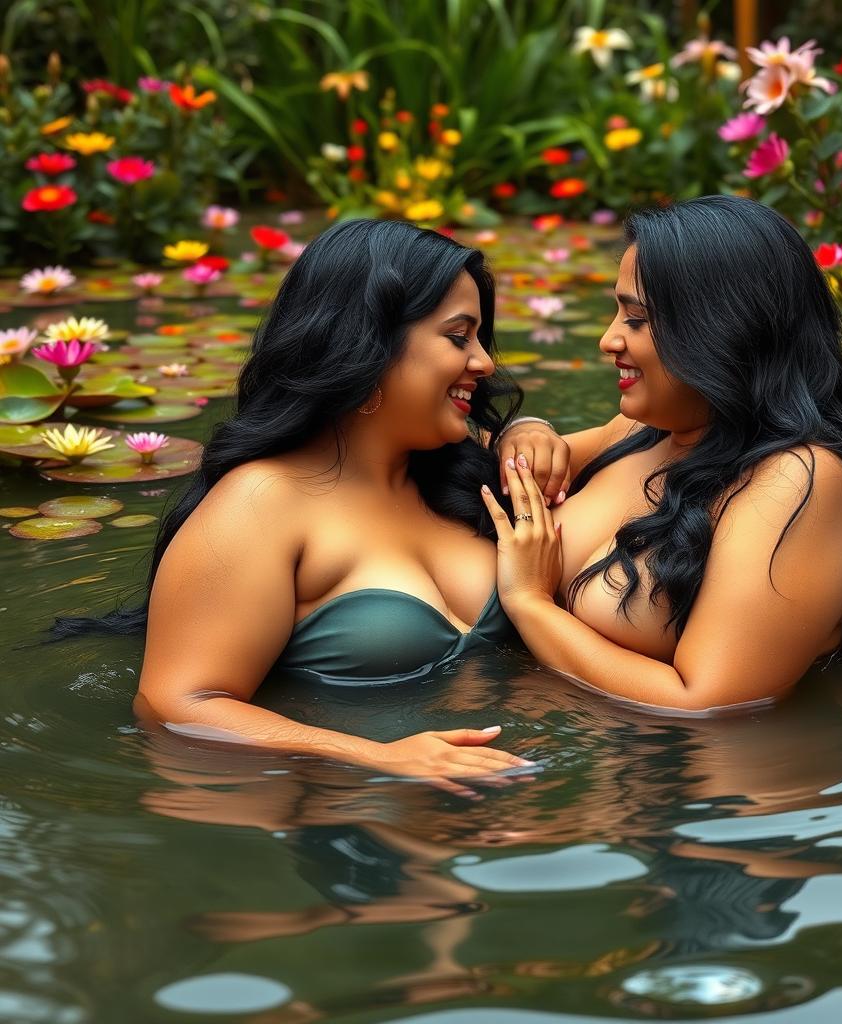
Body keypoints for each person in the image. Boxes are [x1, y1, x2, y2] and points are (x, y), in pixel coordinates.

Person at [58, 220, 568, 784]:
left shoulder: (467, 476)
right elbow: (175, 704)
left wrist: (531, 426)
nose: (485, 363)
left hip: (510, 793)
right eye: (458, 337)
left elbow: (640, 439)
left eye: (480, 339)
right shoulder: (261, 501)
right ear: (371, 342)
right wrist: (380, 757)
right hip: (350, 811)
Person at [485, 195, 842, 712]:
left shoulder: (796, 479)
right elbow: (521, 462)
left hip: (700, 783)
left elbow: (711, 702)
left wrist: (529, 603)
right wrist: (524, 428)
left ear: (720, 328)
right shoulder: (639, 431)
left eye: (636, 320)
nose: (607, 339)